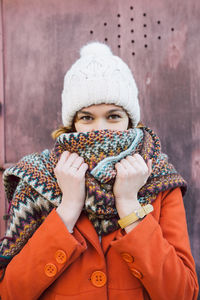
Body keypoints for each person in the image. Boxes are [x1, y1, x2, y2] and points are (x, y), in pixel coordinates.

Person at [0, 42, 199, 300]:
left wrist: (128, 204)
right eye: (87, 118)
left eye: (113, 116)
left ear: (130, 120)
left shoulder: (159, 179)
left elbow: (182, 293)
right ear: (72, 123)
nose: (100, 128)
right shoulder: (37, 179)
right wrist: (68, 209)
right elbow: (9, 292)